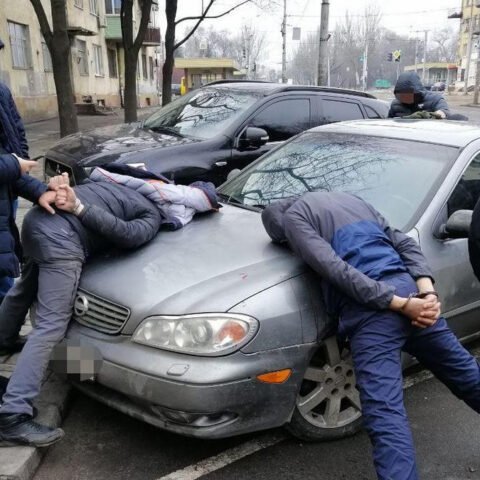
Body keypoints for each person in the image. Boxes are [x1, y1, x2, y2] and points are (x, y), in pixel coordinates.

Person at [262, 192, 480, 480]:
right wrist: (425, 293)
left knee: (384, 413)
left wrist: (400, 304)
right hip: (411, 291)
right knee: (467, 375)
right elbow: (403, 243)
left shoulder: (294, 218)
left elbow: (334, 268)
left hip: (373, 312)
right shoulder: (353, 200)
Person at [0, 176, 163, 447]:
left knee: (24, 289)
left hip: (36, 222)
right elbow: (129, 236)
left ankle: (3, 340)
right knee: (51, 326)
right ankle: (12, 415)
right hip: (62, 240)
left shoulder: (115, 186)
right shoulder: (152, 212)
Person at [0, 38, 33, 310]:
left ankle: (4, 332)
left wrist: (22, 160)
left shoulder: (1, 90)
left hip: (7, 190)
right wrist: (15, 165)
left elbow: (17, 131)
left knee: (5, 254)